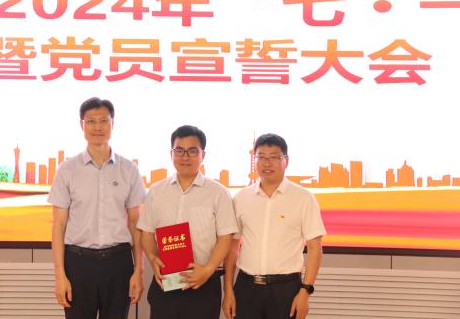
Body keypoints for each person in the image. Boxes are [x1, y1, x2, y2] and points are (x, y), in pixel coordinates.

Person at [48, 97, 146, 319]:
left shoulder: (129, 170)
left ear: (113, 124)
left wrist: (138, 271)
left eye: (103, 120)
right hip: (78, 263)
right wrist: (60, 275)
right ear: (81, 125)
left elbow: (135, 223)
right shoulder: (67, 170)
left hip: (118, 263)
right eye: (91, 121)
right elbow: (59, 226)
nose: (97, 127)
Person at [137, 125, 238, 319]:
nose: (185, 157)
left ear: (203, 155)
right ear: (171, 154)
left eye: (192, 151)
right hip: (165, 281)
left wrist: (208, 269)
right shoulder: (156, 192)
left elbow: (226, 236)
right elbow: (147, 231)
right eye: (179, 151)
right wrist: (152, 257)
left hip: (203, 283)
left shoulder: (218, 193)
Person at [222, 133, 326, 319]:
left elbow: (314, 247)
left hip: (286, 290)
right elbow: (232, 247)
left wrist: (305, 291)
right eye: (261, 157)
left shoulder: (303, 198)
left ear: (286, 161)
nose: (266, 163)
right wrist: (228, 290)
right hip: (247, 288)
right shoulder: (241, 198)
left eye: (274, 157)